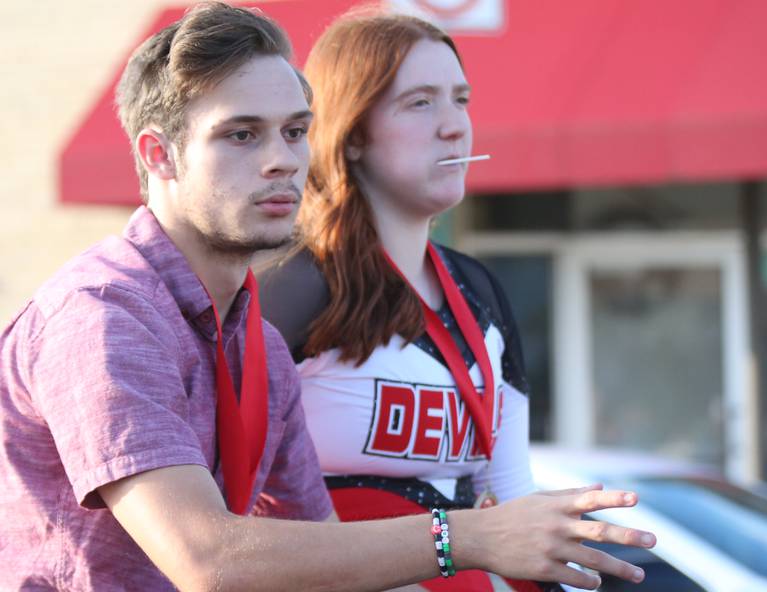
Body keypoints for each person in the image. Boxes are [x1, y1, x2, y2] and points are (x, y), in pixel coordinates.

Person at [0, 3, 655, 591]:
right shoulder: (104, 318)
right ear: (160, 155)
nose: (283, 159)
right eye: (241, 134)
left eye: (294, 131)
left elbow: (322, 560)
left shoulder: (249, 337)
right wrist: (468, 537)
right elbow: (208, 560)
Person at [258, 8, 653, 592]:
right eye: (420, 102)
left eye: (461, 99)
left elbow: (511, 486)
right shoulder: (292, 286)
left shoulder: (481, 290)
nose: (455, 126)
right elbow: (227, 514)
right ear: (354, 130)